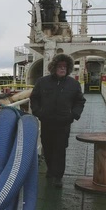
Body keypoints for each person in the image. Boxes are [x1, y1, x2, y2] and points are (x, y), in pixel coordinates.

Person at [30, 53, 86, 188]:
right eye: (60, 66)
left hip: (64, 122)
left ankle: (58, 176)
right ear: (54, 67)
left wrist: (73, 115)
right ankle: (50, 169)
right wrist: (38, 113)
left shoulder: (73, 84)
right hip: (47, 121)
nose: (62, 69)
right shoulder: (42, 82)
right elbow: (34, 98)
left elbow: (80, 101)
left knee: (60, 149)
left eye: (65, 67)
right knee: (47, 147)